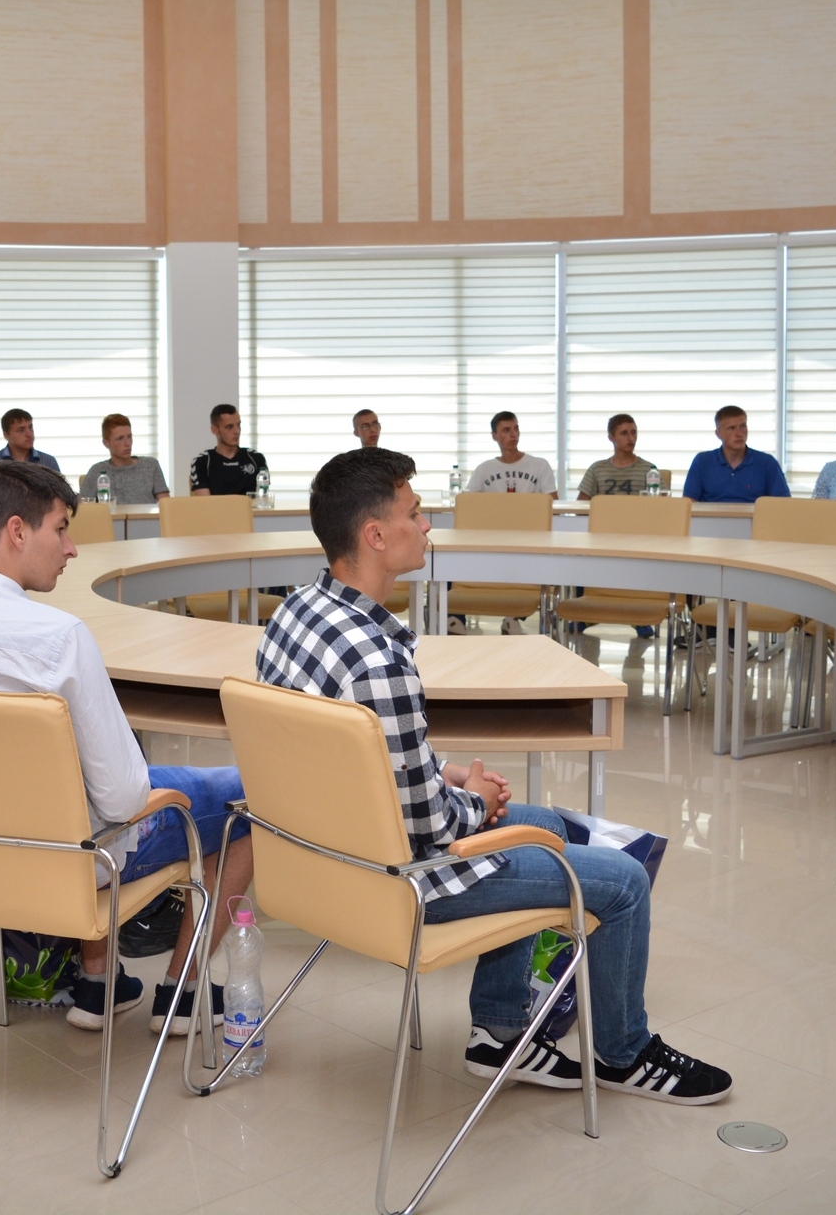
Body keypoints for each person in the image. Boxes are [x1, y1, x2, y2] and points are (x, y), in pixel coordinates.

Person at [257, 447, 733, 1104]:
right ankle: (624, 1055)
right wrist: (475, 800)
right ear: (375, 535)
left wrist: (443, 770)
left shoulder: (294, 615)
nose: (427, 524)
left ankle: (501, 1034)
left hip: (319, 859)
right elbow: (431, 826)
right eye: (414, 513)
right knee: (622, 882)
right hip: (397, 880)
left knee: (540, 823)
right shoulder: (378, 660)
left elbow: (353, 754)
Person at [0, 461, 255, 1035]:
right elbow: (124, 801)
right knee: (246, 798)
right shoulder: (57, 637)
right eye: (61, 528)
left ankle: (100, 983)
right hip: (60, 860)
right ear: (17, 531)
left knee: (73, 784)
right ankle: (184, 991)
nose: (72, 548)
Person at [682, 406, 789, 503]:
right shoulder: (703, 461)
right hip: (711, 517)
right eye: (732, 428)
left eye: (743, 426)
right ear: (718, 434)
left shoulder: (766, 463)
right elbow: (688, 503)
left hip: (754, 518)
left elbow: (783, 504)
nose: (739, 433)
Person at [79, 413, 171, 505]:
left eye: (129, 437)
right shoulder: (98, 471)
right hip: (112, 515)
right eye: (120, 438)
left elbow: (166, 505)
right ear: (106, 443)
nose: (127, 443)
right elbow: (81, 508)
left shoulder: (150, 465)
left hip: (146, 515)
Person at [466, 411, 556, 494]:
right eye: (506, 430)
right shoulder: (484, 470)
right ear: (494, 436)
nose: (513, 435)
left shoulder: (540, 466)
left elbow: (553, 503)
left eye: (516, 429)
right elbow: (468, 502)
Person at [189, 404, 268, 497]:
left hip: (250, 507)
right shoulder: (202, 462)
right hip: (216, 507)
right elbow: (206, 503)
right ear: (215, 430)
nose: (237, 431)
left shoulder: (256, 458)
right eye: (229, 427)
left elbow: (262, 499)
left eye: (238, 425)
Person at [574, 414, 658, 497]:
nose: (631, 438)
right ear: (611, 437)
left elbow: (662, 502)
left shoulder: (649, 470)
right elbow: (582, 504)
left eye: (633, 433)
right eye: (624, 433)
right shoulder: (596, 469)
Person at [0, 408, 61, 480]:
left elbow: (61, 495)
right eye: (21, 430)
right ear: (6, 435)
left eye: (30, 427)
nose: (29, 434)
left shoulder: (48, 462)